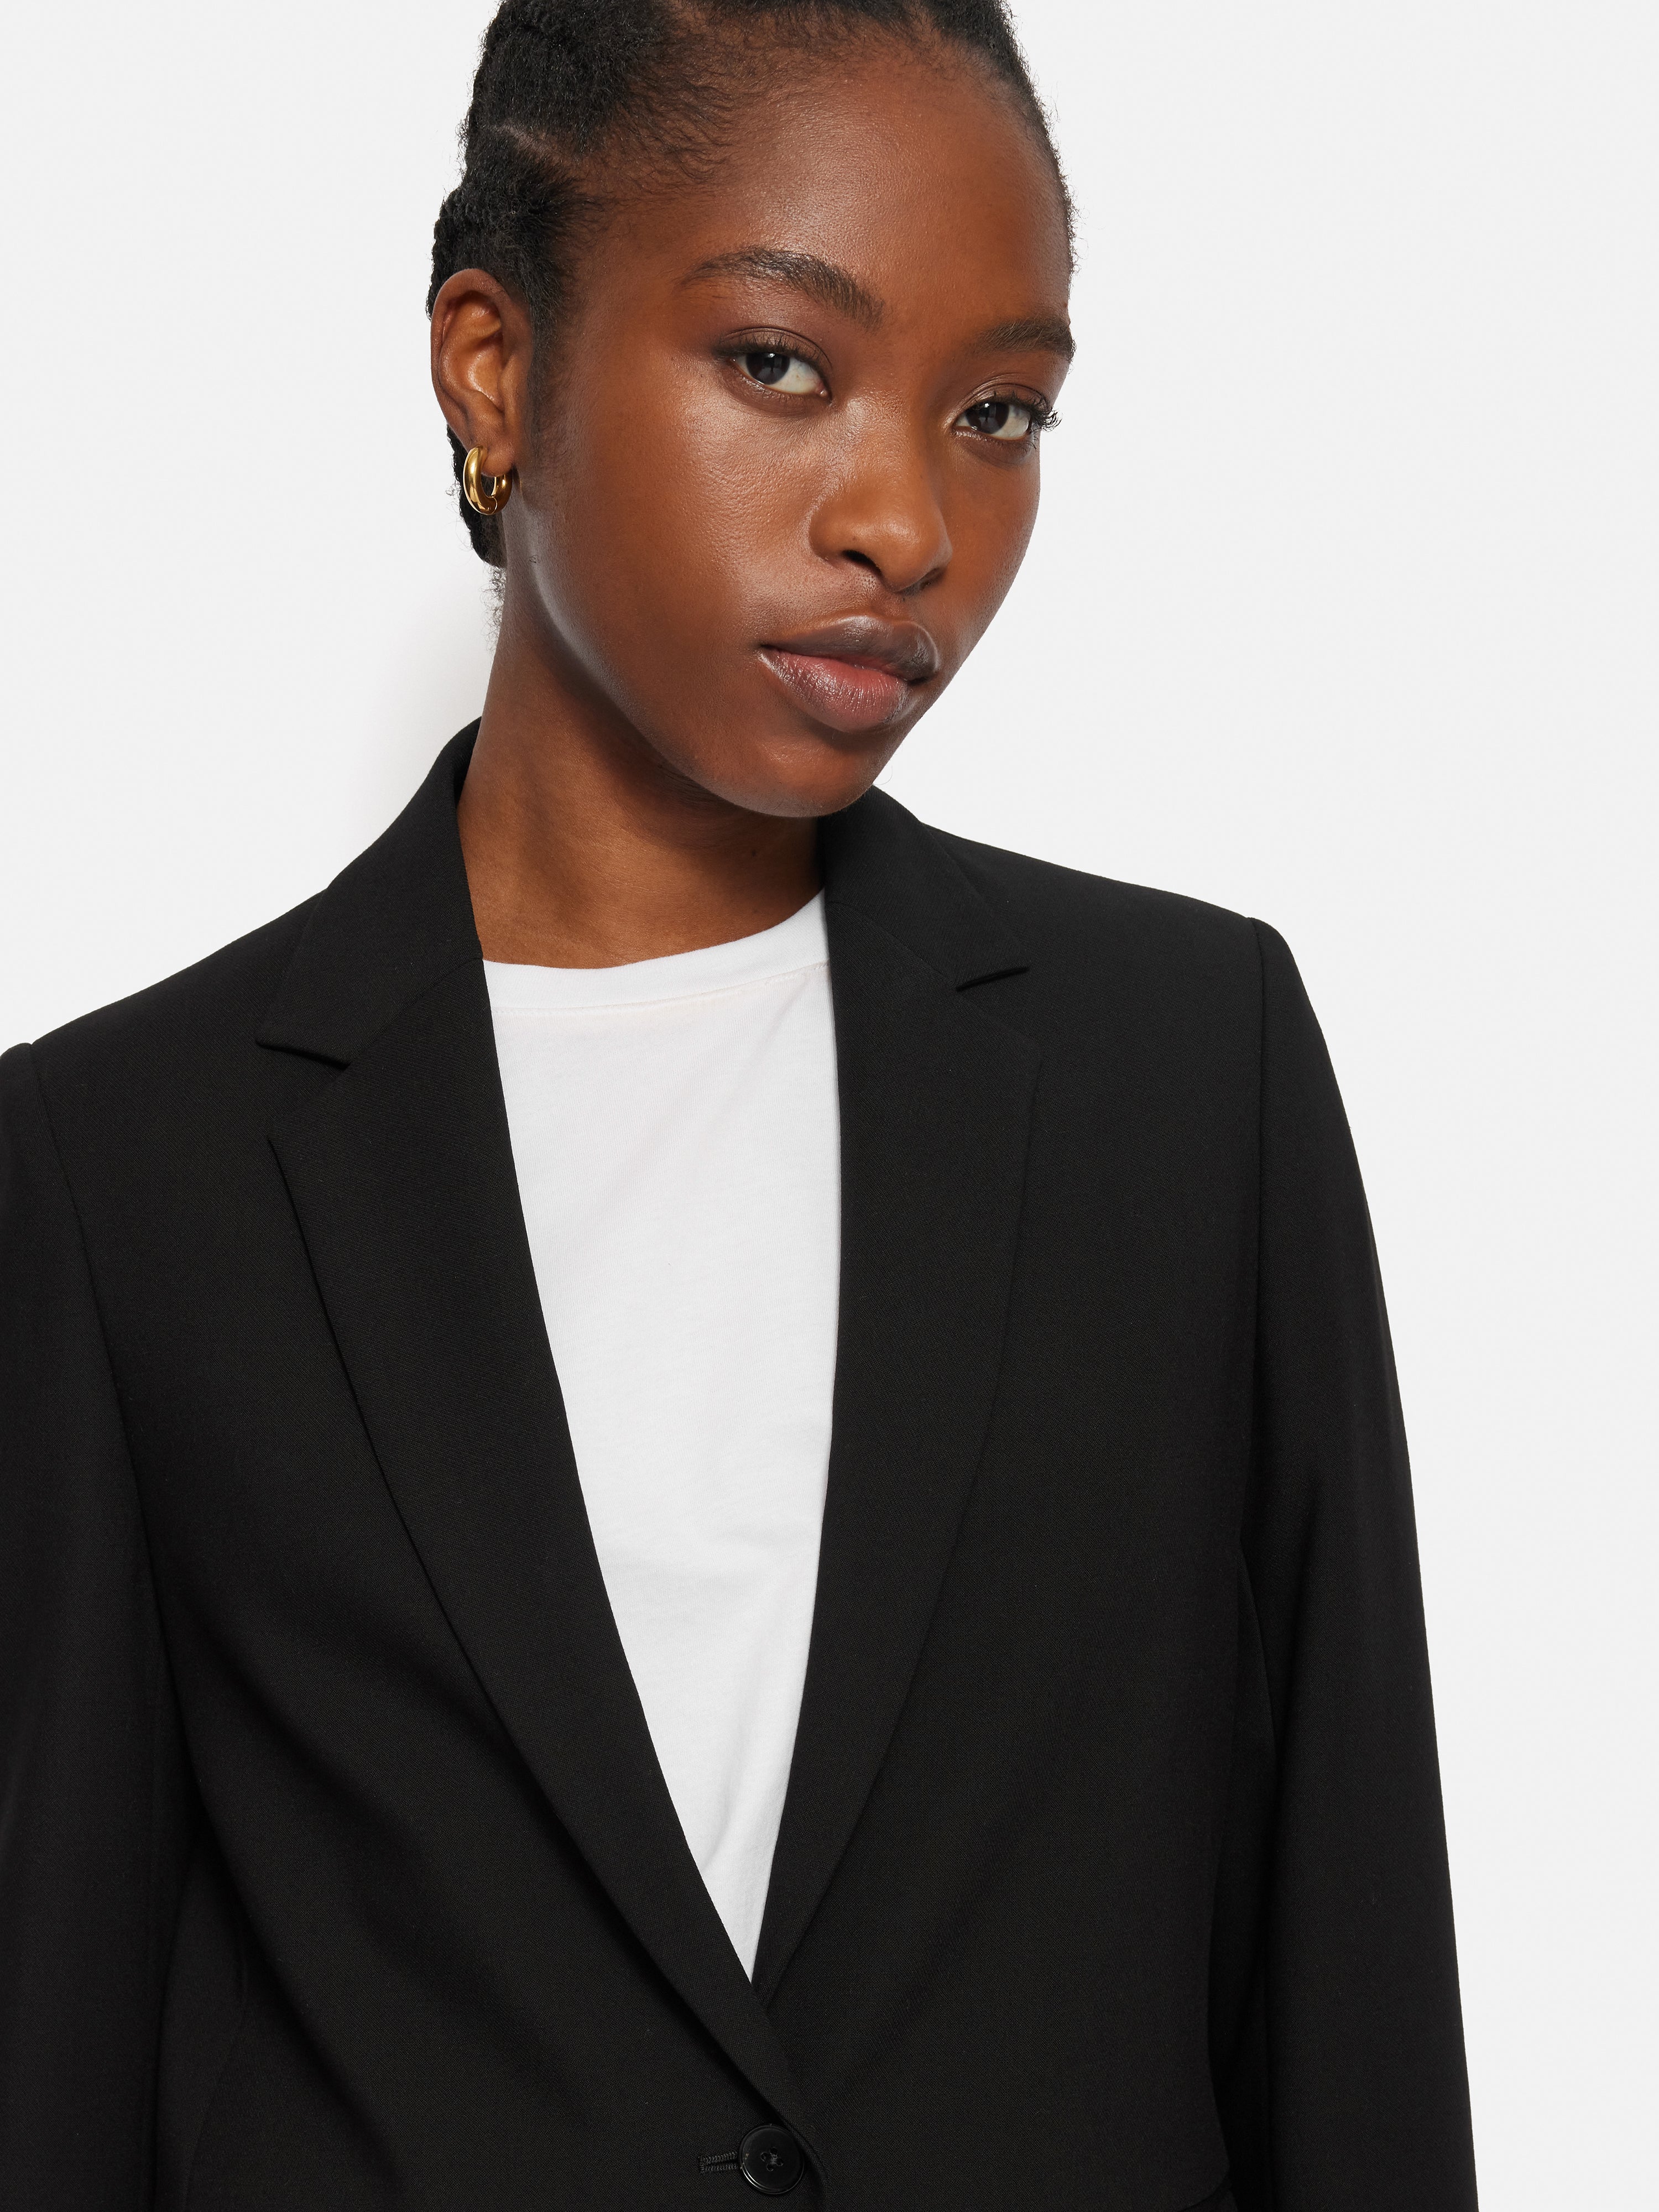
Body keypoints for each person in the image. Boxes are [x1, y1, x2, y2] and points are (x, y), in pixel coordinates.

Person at [0, 2, 1479, 2206]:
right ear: (495, 368)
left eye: (998, 412)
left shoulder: (1191, 1076)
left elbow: (1346, 1982)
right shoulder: (123, 1170)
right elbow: (51, 2051)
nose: (907, 520)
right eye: (782, 362)